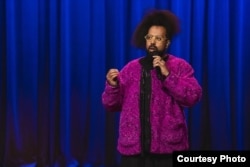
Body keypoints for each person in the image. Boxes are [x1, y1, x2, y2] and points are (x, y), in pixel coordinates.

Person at [102, 9, 202, 167]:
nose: (153, 42)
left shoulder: (180, 66)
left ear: (167, 42)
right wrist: (112, 86)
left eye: (158, 38)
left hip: (168, 149)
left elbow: (192, 96)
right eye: (150, 38)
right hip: (133, 151)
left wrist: (168, 76)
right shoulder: (130, 69)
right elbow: (111, 105)